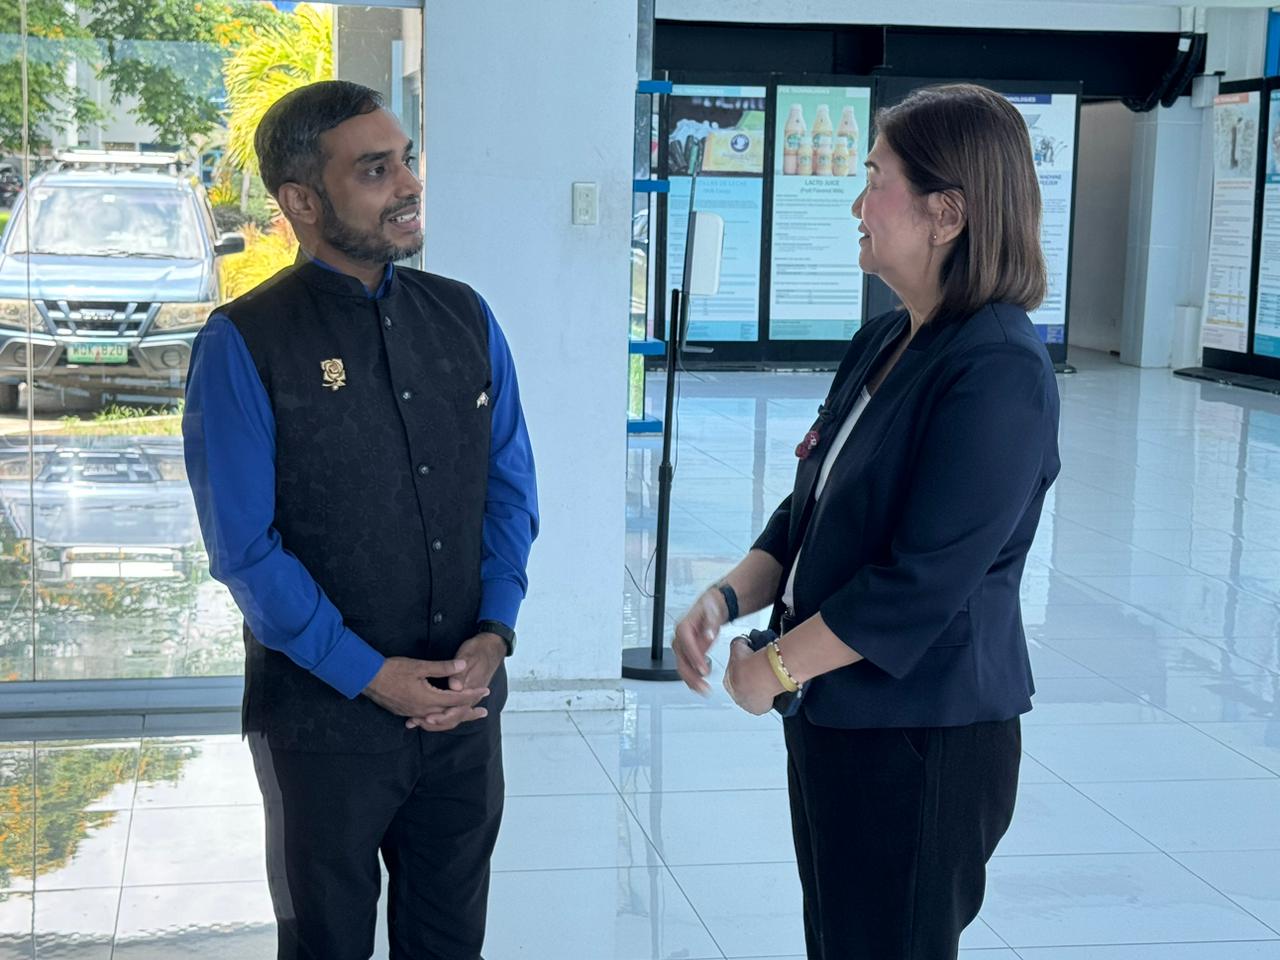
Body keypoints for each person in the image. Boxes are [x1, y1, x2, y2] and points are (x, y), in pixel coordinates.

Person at [672, 83, 1061, 960]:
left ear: (946, 214)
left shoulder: (998, 368)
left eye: (875, 180)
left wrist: (774, 668)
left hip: (923, 736)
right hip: (838, 710)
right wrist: (726, 598)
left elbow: (922, 582)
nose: (858, 204)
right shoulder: (888, 340)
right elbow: (811, 507)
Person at [183, 80, 538, 960]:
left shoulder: (464, 316)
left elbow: (509, 488)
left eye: (407, 161)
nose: (409, 185)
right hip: (324, 724)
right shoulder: (244, 342)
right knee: (327, 944)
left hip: (462, 707)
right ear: (302, 202)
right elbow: (245, 551)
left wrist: (494, 633)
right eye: (376, 170)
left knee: (449, 939)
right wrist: (370, 675)